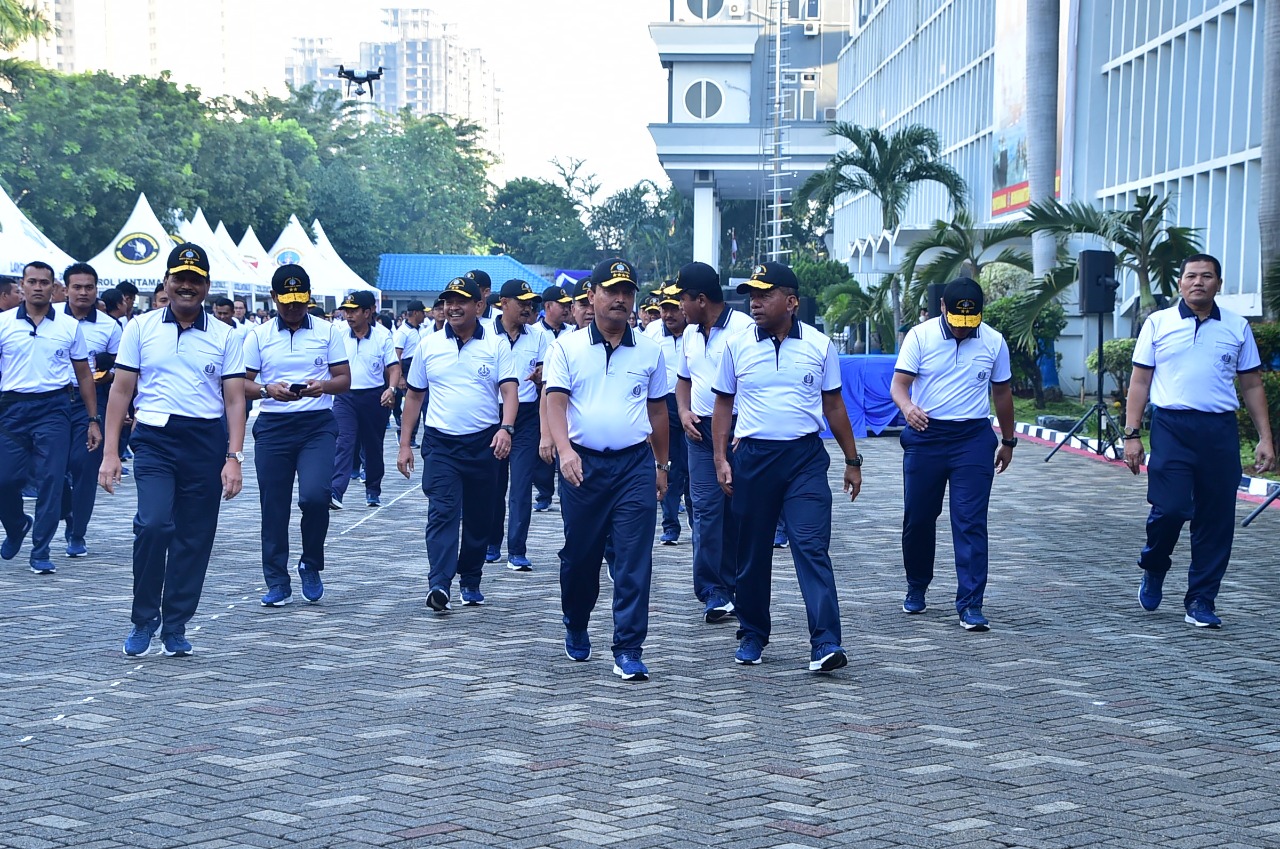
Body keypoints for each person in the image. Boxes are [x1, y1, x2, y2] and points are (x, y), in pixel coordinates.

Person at [712, 261, 861, 672]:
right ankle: (753, 634)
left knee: (810, 545)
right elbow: (724, 403)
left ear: (791, 301)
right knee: (752, 553)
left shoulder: (819, 345)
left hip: (804, 460)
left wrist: (852, 460)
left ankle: (826, 641)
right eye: (752, 295)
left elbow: (834, 405)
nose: (754, 302)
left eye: (765, 294)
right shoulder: (737, 345)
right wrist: (721, 457)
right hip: (754, 460)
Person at [99, 243, 246, 657]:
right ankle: (143, 617)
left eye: (194, 280)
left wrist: (233, 457)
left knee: (194, 538)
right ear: (166, 282)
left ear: (206, 286)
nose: (186, 286)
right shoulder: (140, 328)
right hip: (155, 440)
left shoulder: (225, 336)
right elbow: (121, 391)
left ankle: (176, 623)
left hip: (204, 442)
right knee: (153, 525)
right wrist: (111, 453)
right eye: (179, 278)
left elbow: (235, 400)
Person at [1124, 254, 1275, 628]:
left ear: (1218, 284)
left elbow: (1252, 384)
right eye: (1191, 275)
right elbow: (1140, 382)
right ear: (1180, 283)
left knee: (1216, 519)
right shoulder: (1158, 323)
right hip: (1172, 427)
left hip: (1218, 432)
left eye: (1207, 276)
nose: (1198, 282)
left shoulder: (1237, 327)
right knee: (1170, 509)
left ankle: (1201, 600)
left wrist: (1265, 438)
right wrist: (1131, 434)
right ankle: (1155, 566)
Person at [543, 258, 670, 682]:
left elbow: (658, 411)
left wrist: (661, 465)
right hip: (583, 466)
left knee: (635, 560)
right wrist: (564, 451)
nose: (621, 299)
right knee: (580, 558)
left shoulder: (650, 351)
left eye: (628, 291)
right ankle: (576, 621)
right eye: (612, 290)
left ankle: (629, 647)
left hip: (634, 464)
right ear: (592, 295)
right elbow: (555, 403)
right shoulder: (567, 347)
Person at [890, 277, 1016, 632]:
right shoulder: (920, 336)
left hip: (972, 438)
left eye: (969, 324)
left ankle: (971, 603)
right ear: (942, 307)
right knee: (918, 517)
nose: (962, 332)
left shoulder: (993, 341)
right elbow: (899, 385)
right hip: (926, 435)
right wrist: (908, 407)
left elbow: (1003, 393)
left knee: (970, 521)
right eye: (955, 324)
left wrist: (1008, 440)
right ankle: (917, 584)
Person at [397, 276, 518, 610]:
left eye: (461, 301)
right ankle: (439, 583)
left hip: (484, 444)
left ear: (478, 306)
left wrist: (506, 428)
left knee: (481, 517)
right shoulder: (429, 345)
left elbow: (509, 391)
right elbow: (415, 397)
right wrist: (405, 443)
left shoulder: (495, 345)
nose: (452, 307)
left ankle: (471, 577)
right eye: (447, 302)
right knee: (443, 512)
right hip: (441, 445)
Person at [243, 266, 351, 606]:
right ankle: (276, 580)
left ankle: (311, 562)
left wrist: (323, 386)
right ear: (274, 298)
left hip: (316, 423)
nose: (293, 309)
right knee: (273, 507)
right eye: (286, 302)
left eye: (299, 302)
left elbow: (344, 378)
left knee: (315, 497)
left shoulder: (328, 330)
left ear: (309, 298)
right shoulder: (257, 336)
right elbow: (240, 385)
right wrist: (266, 389)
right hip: (273, 426)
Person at [0, 261, 101, 574]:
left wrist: (92, 418)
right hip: (12, 408)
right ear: (22, 286)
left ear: (54, 286)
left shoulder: (68, 327)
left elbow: (84, 375)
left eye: (45, 282)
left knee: (51, 481)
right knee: (5, 479)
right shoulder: (3, 323)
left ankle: (40, 550)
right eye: (32, 281)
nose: (38, 287)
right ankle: (17, 525)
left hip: (54, 408)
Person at [671, 261, 755, 622]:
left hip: (738, 433)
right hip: (698, 435)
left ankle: (738, 584)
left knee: (738, 511)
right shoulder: (689, 334)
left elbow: (754, 385)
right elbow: (683, 380)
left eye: (682, 300)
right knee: (704, 511)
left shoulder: (744, 330)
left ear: (701, 300)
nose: (678, 308)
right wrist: (684, 411)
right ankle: (712, 591)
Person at [60, 262, 122, 558]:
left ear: (96, 289)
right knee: (52, 467)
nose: (83, 292)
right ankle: (65, 511)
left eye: (89, 287)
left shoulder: (110, 326)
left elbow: (122, 368)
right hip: (54, 400)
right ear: (65, 289)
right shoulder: (52, 320)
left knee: (84, 467)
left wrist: (106, 374)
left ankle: (77, 532)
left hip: (93, 401)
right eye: (77, 287)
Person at [484, 279, 547, 571]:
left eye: (530, 302)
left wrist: (541, 377)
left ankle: (517, 550)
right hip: (491, 416)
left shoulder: (538, 337)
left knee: (521, 484)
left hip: (527, 416)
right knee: (493, 484)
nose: (527, 307)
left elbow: (548, 376)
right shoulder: (483, 333)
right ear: (503, 303)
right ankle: (491, 543)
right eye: (521, 302)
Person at [331, 290, 398, 509]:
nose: (348, 316)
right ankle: (336, 491)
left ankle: (373, 489)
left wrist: (391, 389)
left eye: (354, 311)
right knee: (344, 440)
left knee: (373, 445)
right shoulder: (338, 333)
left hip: (374, 396)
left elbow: (393, 367)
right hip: (345, 396)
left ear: (368, 312)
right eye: (346, 311)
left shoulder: (383, 336)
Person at [647, 286, 692, 546]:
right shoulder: (651, 334)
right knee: (668, 466)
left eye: (674, 308)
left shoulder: (695, 333)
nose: (668, 314)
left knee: (693, 469)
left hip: (690, 405)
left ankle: (696, 520)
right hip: (662, 405)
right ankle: (670, 525)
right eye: (664, 309)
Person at [533, 285, 573, 512]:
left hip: (565, 398)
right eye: (562, 305)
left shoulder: (571, 333)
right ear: (548, 307)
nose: (567, 309)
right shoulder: (535, 332)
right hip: (540, 397)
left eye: (569, 305)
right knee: (544, 450)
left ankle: (563, 490)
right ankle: (544, 492)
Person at [392, 299, 427, 447]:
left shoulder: (421, 329)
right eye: (423, 312)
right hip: (406, 367)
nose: (425, 315)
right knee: (412, 403)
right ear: (416, 313)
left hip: (418, 365)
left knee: (418, 402)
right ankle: (406, 434)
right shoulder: (403, 332)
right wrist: (400, 376)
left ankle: (410, 436)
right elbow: (397, 354)